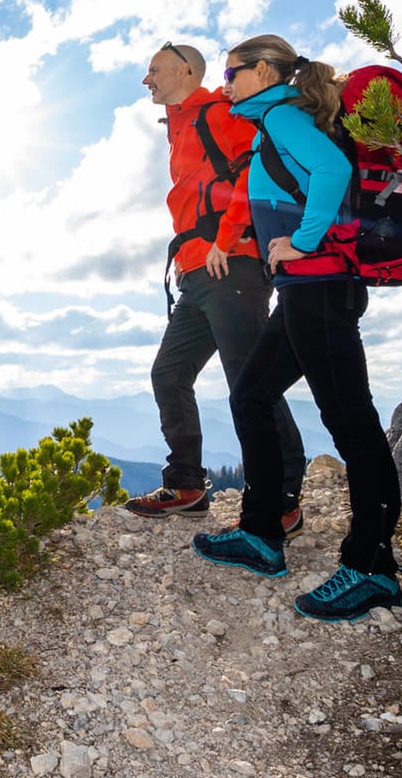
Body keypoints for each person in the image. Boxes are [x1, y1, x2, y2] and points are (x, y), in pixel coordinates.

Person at [191, 34, 402, 623]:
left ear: (264, 71)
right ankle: (262, 534)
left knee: (351, 424)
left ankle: (372, 568)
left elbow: (333, 170)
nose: (227, 82)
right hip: (304, 293)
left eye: (233, 71)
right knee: (253, 395)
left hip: (321, 290)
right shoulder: (276, 122)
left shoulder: (284, 117)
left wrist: (303, 242)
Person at [126, 41, 306, 537]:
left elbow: (254, 172)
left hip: (233, 266)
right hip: (198, 273)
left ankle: (285, 495)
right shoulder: (182, 124)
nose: (147, 80)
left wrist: (225, 241)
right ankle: (186, 485)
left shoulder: (218, 112)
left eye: (154, 70)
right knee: (169, 372)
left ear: (185, 71)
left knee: (251, 381)